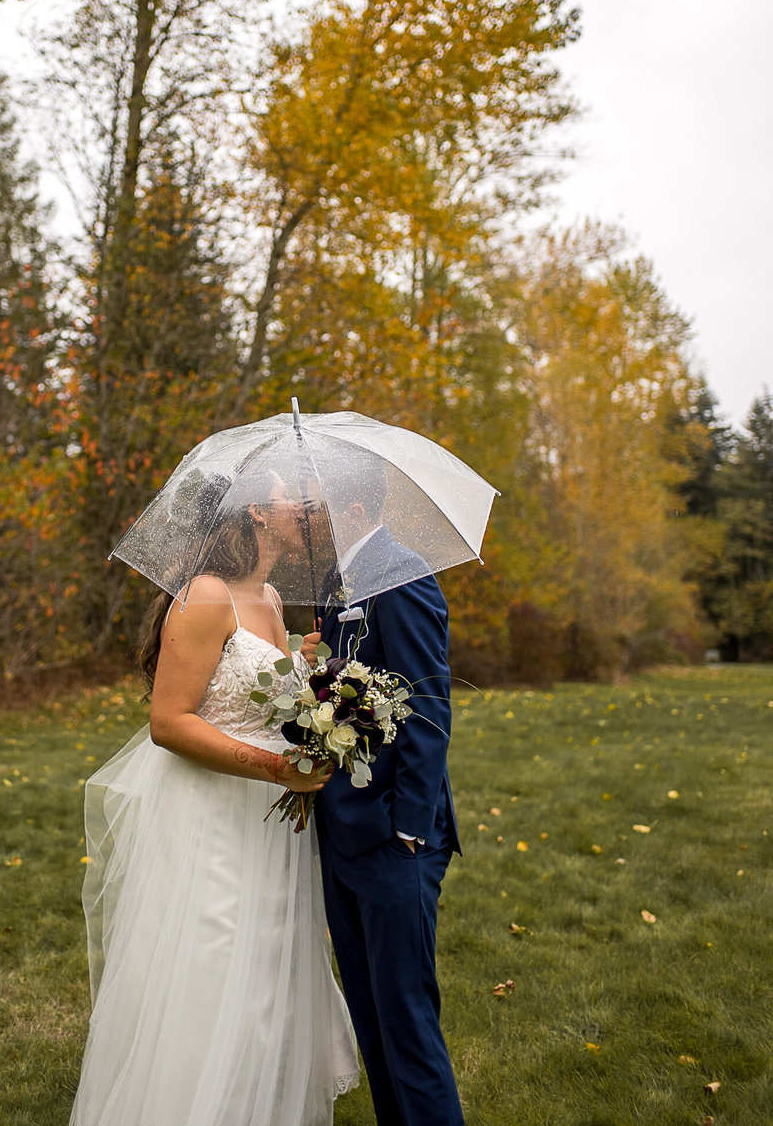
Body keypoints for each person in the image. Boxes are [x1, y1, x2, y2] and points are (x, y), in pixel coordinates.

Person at [69, 472, 358, 1126]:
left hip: (268, 829)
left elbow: (255, 699)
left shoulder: (273, 595)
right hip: (212, 822)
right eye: (291, 498)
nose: (303, 508)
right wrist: (275, 770)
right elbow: (169, 721)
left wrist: (305, 673)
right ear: (256, 511)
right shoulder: (204, 595)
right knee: (213, 972)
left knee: (264, 980)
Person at [305, 452, 465, 1126]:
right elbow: (353, 694)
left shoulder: (403, 577)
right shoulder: (334, 582)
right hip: (343, 833)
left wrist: (409, 826)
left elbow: (428, 706)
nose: (309, 517)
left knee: (405, 1024)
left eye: (317, 505)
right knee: (372, 1021)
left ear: (356, 511)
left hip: (397, 838)